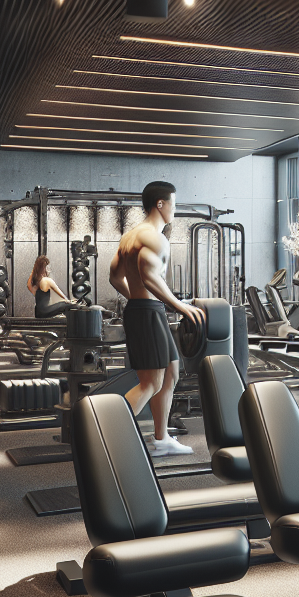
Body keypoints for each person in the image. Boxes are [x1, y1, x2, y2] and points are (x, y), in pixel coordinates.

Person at [109, 181, 205, 457]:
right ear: (160, 204)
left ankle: (162, 440)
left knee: (171, 372)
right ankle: (108, 434)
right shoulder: (153, 237)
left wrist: (136, 299)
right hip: (149, 313)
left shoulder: (129, 237)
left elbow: (115, 276)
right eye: (173, 203)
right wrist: (181, 306)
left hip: (146, 310)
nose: (175, 209)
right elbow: (150, 277)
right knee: (150, 383)